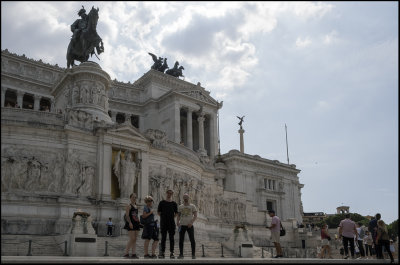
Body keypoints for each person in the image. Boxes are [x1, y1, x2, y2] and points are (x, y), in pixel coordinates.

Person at [157, 189, 178, 259]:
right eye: (168, 193)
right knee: (163, 238)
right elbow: (159, 212)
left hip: (171, 223)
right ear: (166, 193)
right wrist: (164, 217)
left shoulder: (174, 203)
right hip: (163, 222)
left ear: (172, 194)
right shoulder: (162, 202)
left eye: (171, 193)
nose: (169, 194)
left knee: (172, 238)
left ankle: (172, 252)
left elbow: (176, 213)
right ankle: (162, 252)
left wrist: (171, 217)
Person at [177, 193, 198, 259]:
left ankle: (193, 254)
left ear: (189, 198)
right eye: (184, 197)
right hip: (182, 224)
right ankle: (181, 254)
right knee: (181, 240)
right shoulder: (180, 206)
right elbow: (178, 215)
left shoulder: (192, 206)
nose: (185, 198)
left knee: (192, 240)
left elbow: (195, 215)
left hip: (190, 225)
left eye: (187, 197)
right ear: (183, 198)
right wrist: (177, 222)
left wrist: (191, 222)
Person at [123, 193, 140, 258]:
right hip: (131, 223)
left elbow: (136, 215)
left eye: (135, 197)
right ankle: (126, 253)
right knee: (132, 238)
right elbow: (127, 216)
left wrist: (139, 221)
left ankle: (133, 253)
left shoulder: (136, 206)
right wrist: (130, 223)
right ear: (130, 198)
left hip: (136, 223)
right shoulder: (128, 206)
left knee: (135, 239)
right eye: (133, 197)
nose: (134, 198)